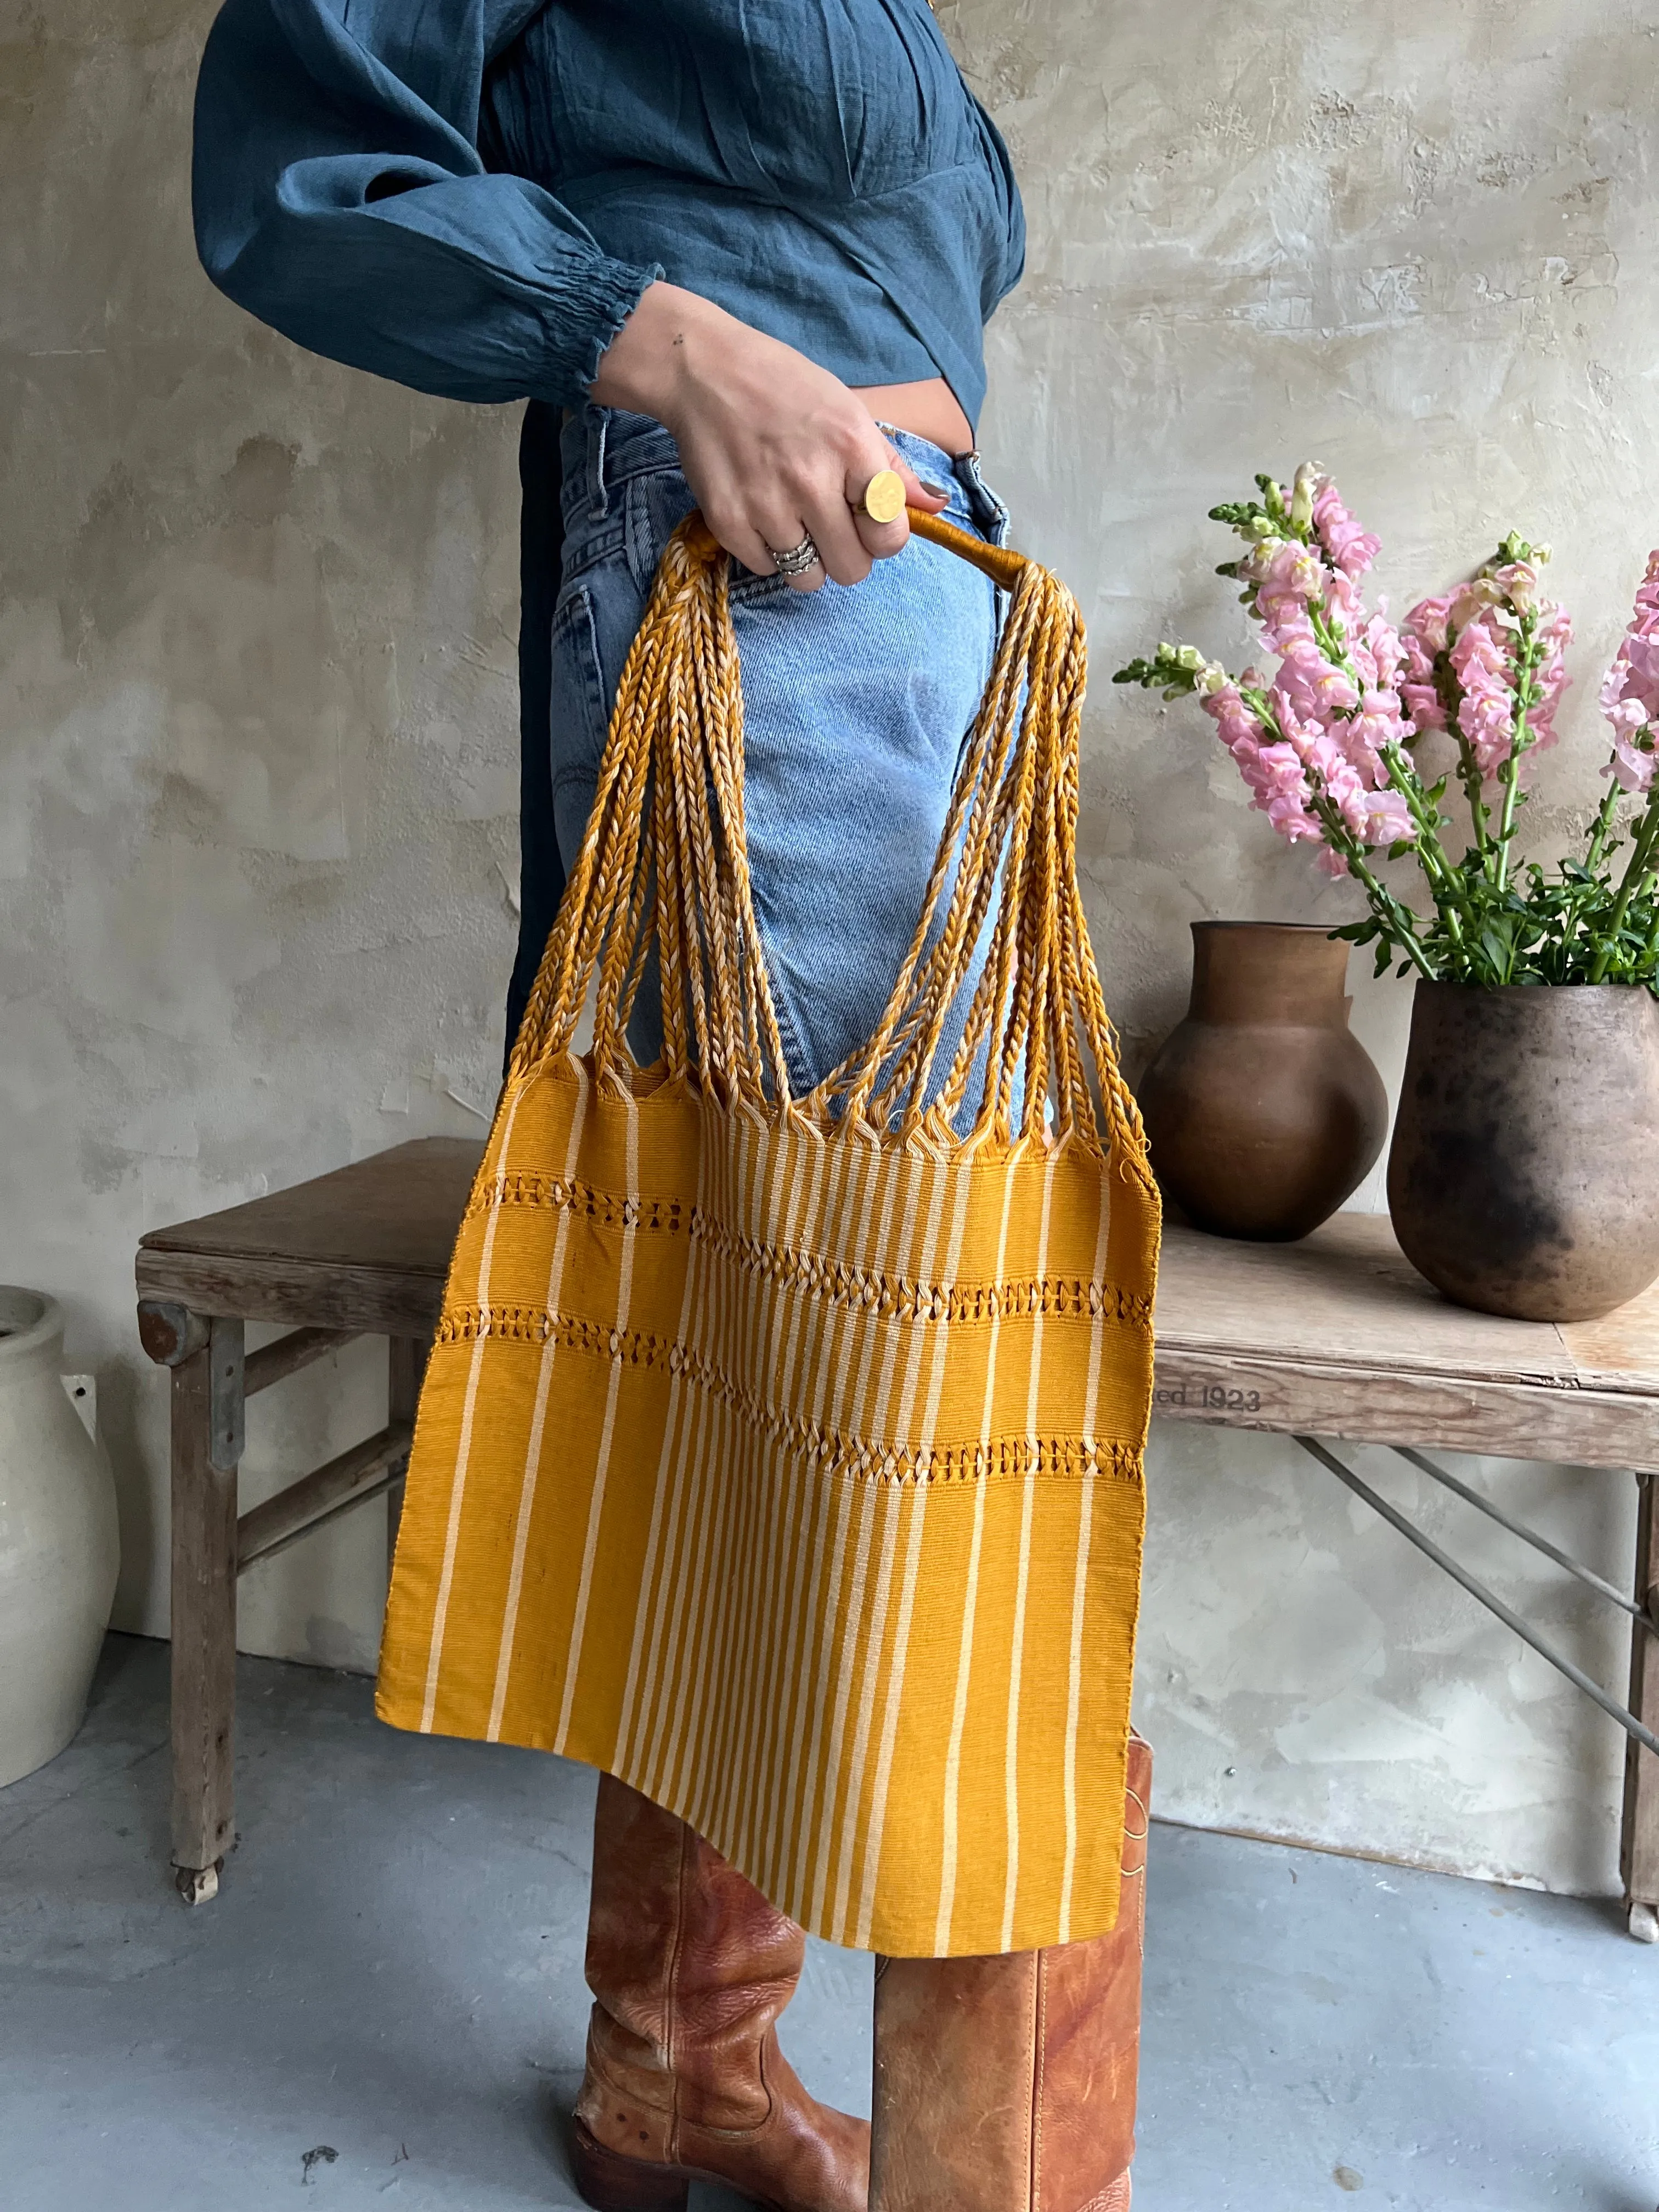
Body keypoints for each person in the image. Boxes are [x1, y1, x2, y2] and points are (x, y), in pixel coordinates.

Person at [191, 9, 1148, 2210]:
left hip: (887, 598)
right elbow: (295, 164)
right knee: (906, 1382)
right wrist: (667, 344)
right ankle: (980, 2170)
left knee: (795, 1360)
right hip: (776, 603)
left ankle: (676, 2063)